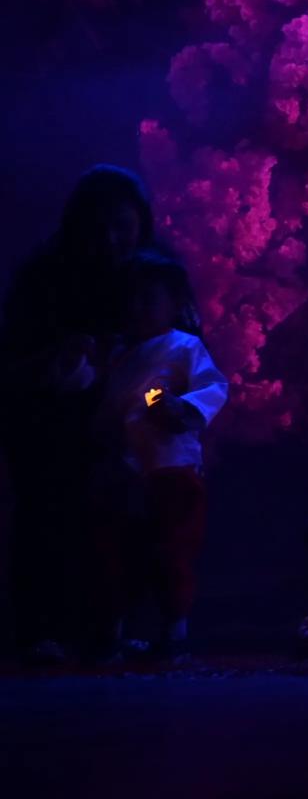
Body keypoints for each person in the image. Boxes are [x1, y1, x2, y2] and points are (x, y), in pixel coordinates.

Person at [0, 165, 156, 660]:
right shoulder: (43, 277)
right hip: (50, 423)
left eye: (121, 227)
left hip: (131, 422)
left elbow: (184, 347)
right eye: (97, 228)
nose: (109, 240)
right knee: (49, 518)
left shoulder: (156, 275)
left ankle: (110, 627)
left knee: (123, 524)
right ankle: (42, 629)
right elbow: (12, 358)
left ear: (140, 222)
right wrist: (60, 356)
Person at [92, 250, 228, 657]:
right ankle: (113, 630)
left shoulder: (184, 346)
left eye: (148, 298)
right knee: (118, 550)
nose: (137, 308)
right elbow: (108, 407)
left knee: (173, 549)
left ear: (174, 303)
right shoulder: (118, 356)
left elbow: (213, 387)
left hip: (172, 467)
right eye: (131, 298)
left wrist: (181, 409)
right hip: (125, 471)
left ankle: (174, 630)